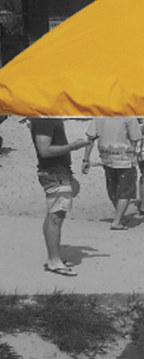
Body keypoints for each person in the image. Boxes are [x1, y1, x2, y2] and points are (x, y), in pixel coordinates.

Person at [29, 117, 94, 276]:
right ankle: (54, 261)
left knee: (54, 215)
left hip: (58, 172)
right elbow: (44, 150)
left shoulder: (46, 117)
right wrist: (74, 146)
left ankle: (54, 257)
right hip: (54, 174)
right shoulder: (45, 118)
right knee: (56, 217)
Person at [82, 117, 143, 230]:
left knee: (113, 190)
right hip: (125, 160)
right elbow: (136, 138)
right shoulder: (129, 116)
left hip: (107, 157)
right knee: (126, 192)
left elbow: (90, 138)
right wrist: (137, 156)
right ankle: (117, 221)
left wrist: (85, 159)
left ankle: (120, 216)